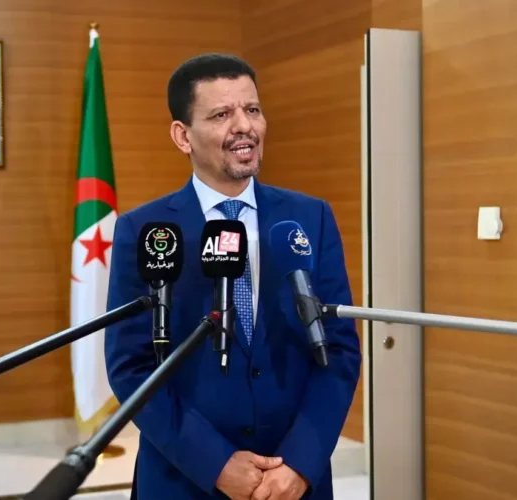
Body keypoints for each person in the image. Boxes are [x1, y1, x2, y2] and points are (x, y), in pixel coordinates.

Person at [104, 53, 362, 500]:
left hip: (293, 482)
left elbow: (338, 350)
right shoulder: (145, 231)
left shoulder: (310, 218)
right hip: (184, 481)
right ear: (182, 136)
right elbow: (132, 367)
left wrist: (301, 462)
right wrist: (216, 464)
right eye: (222, 114)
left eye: (253, 109)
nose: (245, 126)